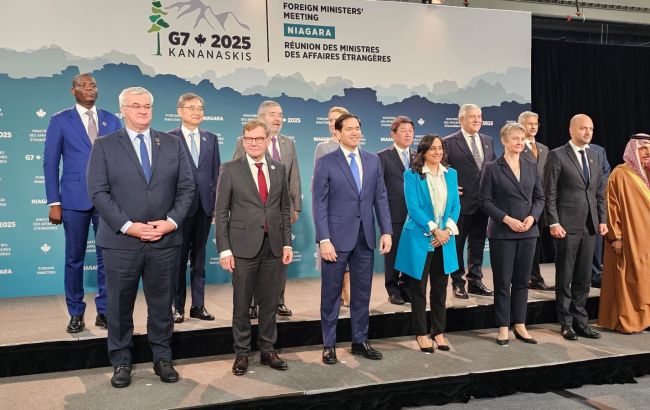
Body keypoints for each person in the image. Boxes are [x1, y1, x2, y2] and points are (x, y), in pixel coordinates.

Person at [87, 87, 194, 388]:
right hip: (121, 242)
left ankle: (162, 357)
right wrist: (127, 225)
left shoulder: (172, 143)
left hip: (164, 241)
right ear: (123, 110)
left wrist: (170, 223)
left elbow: (187, 188)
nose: (143, 111)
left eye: (147, 106)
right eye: (136, 106)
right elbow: (98, 191)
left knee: (162, 305)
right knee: (119, 306)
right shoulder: (105, 145)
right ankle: (121, 361)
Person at [43, 73, 121, 333]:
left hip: (107, 199)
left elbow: (121, 161)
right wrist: (54, 201)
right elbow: (50, 162)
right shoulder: (59, 120)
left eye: (93, 85)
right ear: (73, 91)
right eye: (83, 85)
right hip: (73, 200)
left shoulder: (112, 120)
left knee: (107, 257)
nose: (89, 88)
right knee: (74, 259)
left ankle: (105, 311)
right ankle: (75, 312)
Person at [313, 113, 392, 365]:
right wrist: (324, 239)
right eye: (349, 129)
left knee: (362, 293)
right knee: (331, 295)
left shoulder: (372, 160)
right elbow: (319, 204)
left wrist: (386, 231)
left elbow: (381, 197)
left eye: (358, 128)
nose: (356, 133)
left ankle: (360, 341)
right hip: (335, 239)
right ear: (337, 133)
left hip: (365, 237)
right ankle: (329, 344)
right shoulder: (325, 162)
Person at [215, 120, 293, 376]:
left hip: (273, 247)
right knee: (241, 304)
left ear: (268, 140)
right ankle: (242, 352)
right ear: (243, 140)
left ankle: (268, 349)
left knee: (269, 303)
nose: (253, 143)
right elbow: (221, 212)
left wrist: (287, 243)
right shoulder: (230, 169)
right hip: (242, 247)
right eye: (249, 139)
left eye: (259, 139)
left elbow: (284, 210)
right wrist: (224, 249)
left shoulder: (279, 168)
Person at [234, 100, 301, 318]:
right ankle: (253, 303)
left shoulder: (288, 143)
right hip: (253, 213)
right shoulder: (244, 142)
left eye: (280, 114)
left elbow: (293, 177)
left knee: (279, 258)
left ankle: (278, 301)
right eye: (273, 114)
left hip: (280, 211)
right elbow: (237, 175)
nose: (278, 118)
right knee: (254, 257)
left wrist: (295, 207)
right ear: (261, 117)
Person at [544, 114, 608, 341]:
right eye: (583, 128)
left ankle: (581, 322)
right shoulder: (557, 155)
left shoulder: (595, 155)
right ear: (571, 130)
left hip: (590, 226)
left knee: (584, 277)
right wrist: (553, 222)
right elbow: (549, 193)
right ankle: (566, 323)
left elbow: (599, 193)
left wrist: (602, 220)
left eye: (591, 128)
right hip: (566, 226)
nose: (588, 132)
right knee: (565, 276)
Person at [480, 123, 545, 345]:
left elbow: (540, 198)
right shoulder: (492, 168)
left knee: (522, 281)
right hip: (502, 233)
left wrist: (532, 218)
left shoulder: (531, 165)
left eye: (522, 138)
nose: (519, 142)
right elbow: (485, 201)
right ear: (504, 141)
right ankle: (503, 326)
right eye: (515, 138)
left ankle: (520, 324)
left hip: (528, 232)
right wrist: (506, 219)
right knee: (503, 282)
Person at [395, 135, 460, 352]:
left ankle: (438, 332)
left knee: (440, 289)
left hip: (445, 240)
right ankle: (421, 333)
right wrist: (435, 230)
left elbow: (456, 206)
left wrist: (446, 231)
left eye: (440, 148)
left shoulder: (451, 174)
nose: (437, 152)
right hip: (420, 238)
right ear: (423, 152)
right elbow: (413, 208)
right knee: (419, 290)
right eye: (432, 148)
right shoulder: (412, 175)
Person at [168, 93, 220, 323]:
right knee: (178, 261)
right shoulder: (169, 138)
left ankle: (198, 306)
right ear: (180, 111)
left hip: (205, 207)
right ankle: (177, 307)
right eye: (192, 108)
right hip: (180, 210)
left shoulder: (211, 138)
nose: (197, 112)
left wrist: (216, 206)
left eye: (200, 108)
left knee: (199, 259)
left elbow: (216, 174)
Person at [598, 134, 650, 333]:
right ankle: (632, 318)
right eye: (643, 148)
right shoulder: (620, 174)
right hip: (630, 236)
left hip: (647, 237)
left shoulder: (648, 172)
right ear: (633, 150)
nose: (647, 152)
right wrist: (616, 236)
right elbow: (611, 206)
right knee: (632, 277)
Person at [444, 104, 496, 299]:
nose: (477, 120)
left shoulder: (488, 141)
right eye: (472, 116)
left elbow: (493, 168)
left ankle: (475, 281)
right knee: (457, 245)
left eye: (479, 116)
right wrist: (449, 187)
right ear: (461, 120)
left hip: (483, 204)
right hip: (460, 204)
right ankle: (458, 283)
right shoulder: (448, 142)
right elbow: (440, 170)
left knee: (477, 244)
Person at [314, 106, 351, 307]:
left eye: (336, 119)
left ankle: (348, 294)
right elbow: (318, 183)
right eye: (329, 120)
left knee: (350, 258)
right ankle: (336, 297)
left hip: (351, 212)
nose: (332, 123)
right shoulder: (323, 147)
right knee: (333, 257)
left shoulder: (355, 147)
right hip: (330, 211)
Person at [378, 116, 415, 305]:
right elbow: (379, 190)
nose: (408, 134)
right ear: (393, 134)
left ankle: (406, 287)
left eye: (411, 131)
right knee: (392, 254)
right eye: (403, 131)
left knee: (411, 252)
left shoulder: (418, 157)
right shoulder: (383, 156)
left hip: (415, 215)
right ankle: (392, 289)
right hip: (394, 213)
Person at [518, 111, 553, 291]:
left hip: (540, 204)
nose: (533, 127)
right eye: (529, 123)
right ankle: (525, 278)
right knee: (526, 243)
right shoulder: (516, 147)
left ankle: (534, 278)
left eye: (536, 123)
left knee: (536, 242)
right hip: (523, 203)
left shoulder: (543, 148)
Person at [588, 143, 611, 288]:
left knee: (596, 241)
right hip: (575, 204)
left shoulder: (598, 150)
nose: (587, 133)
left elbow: (606, 172)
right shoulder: (562, 153)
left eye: (590, 131)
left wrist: (597, 187)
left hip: (597, 200)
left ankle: (596, 274)